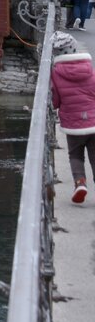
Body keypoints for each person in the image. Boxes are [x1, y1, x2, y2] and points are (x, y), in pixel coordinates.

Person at [51, 30, 95, 204]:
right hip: (93, 122)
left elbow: (55, 101)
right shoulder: (89, 69)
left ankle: (80, 183)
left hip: (73, 124)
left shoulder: (55, 73)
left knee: (75, 155)